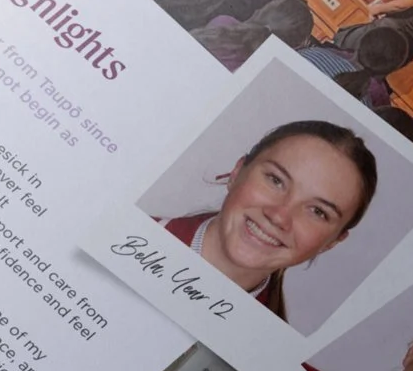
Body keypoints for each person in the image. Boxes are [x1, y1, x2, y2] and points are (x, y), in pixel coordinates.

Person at [158, 119, 377, 321]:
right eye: (275, 180)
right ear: (236, 172)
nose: (279, 216)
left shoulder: (274, 359)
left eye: (318, 211)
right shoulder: (126, 229)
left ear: (332, 242)